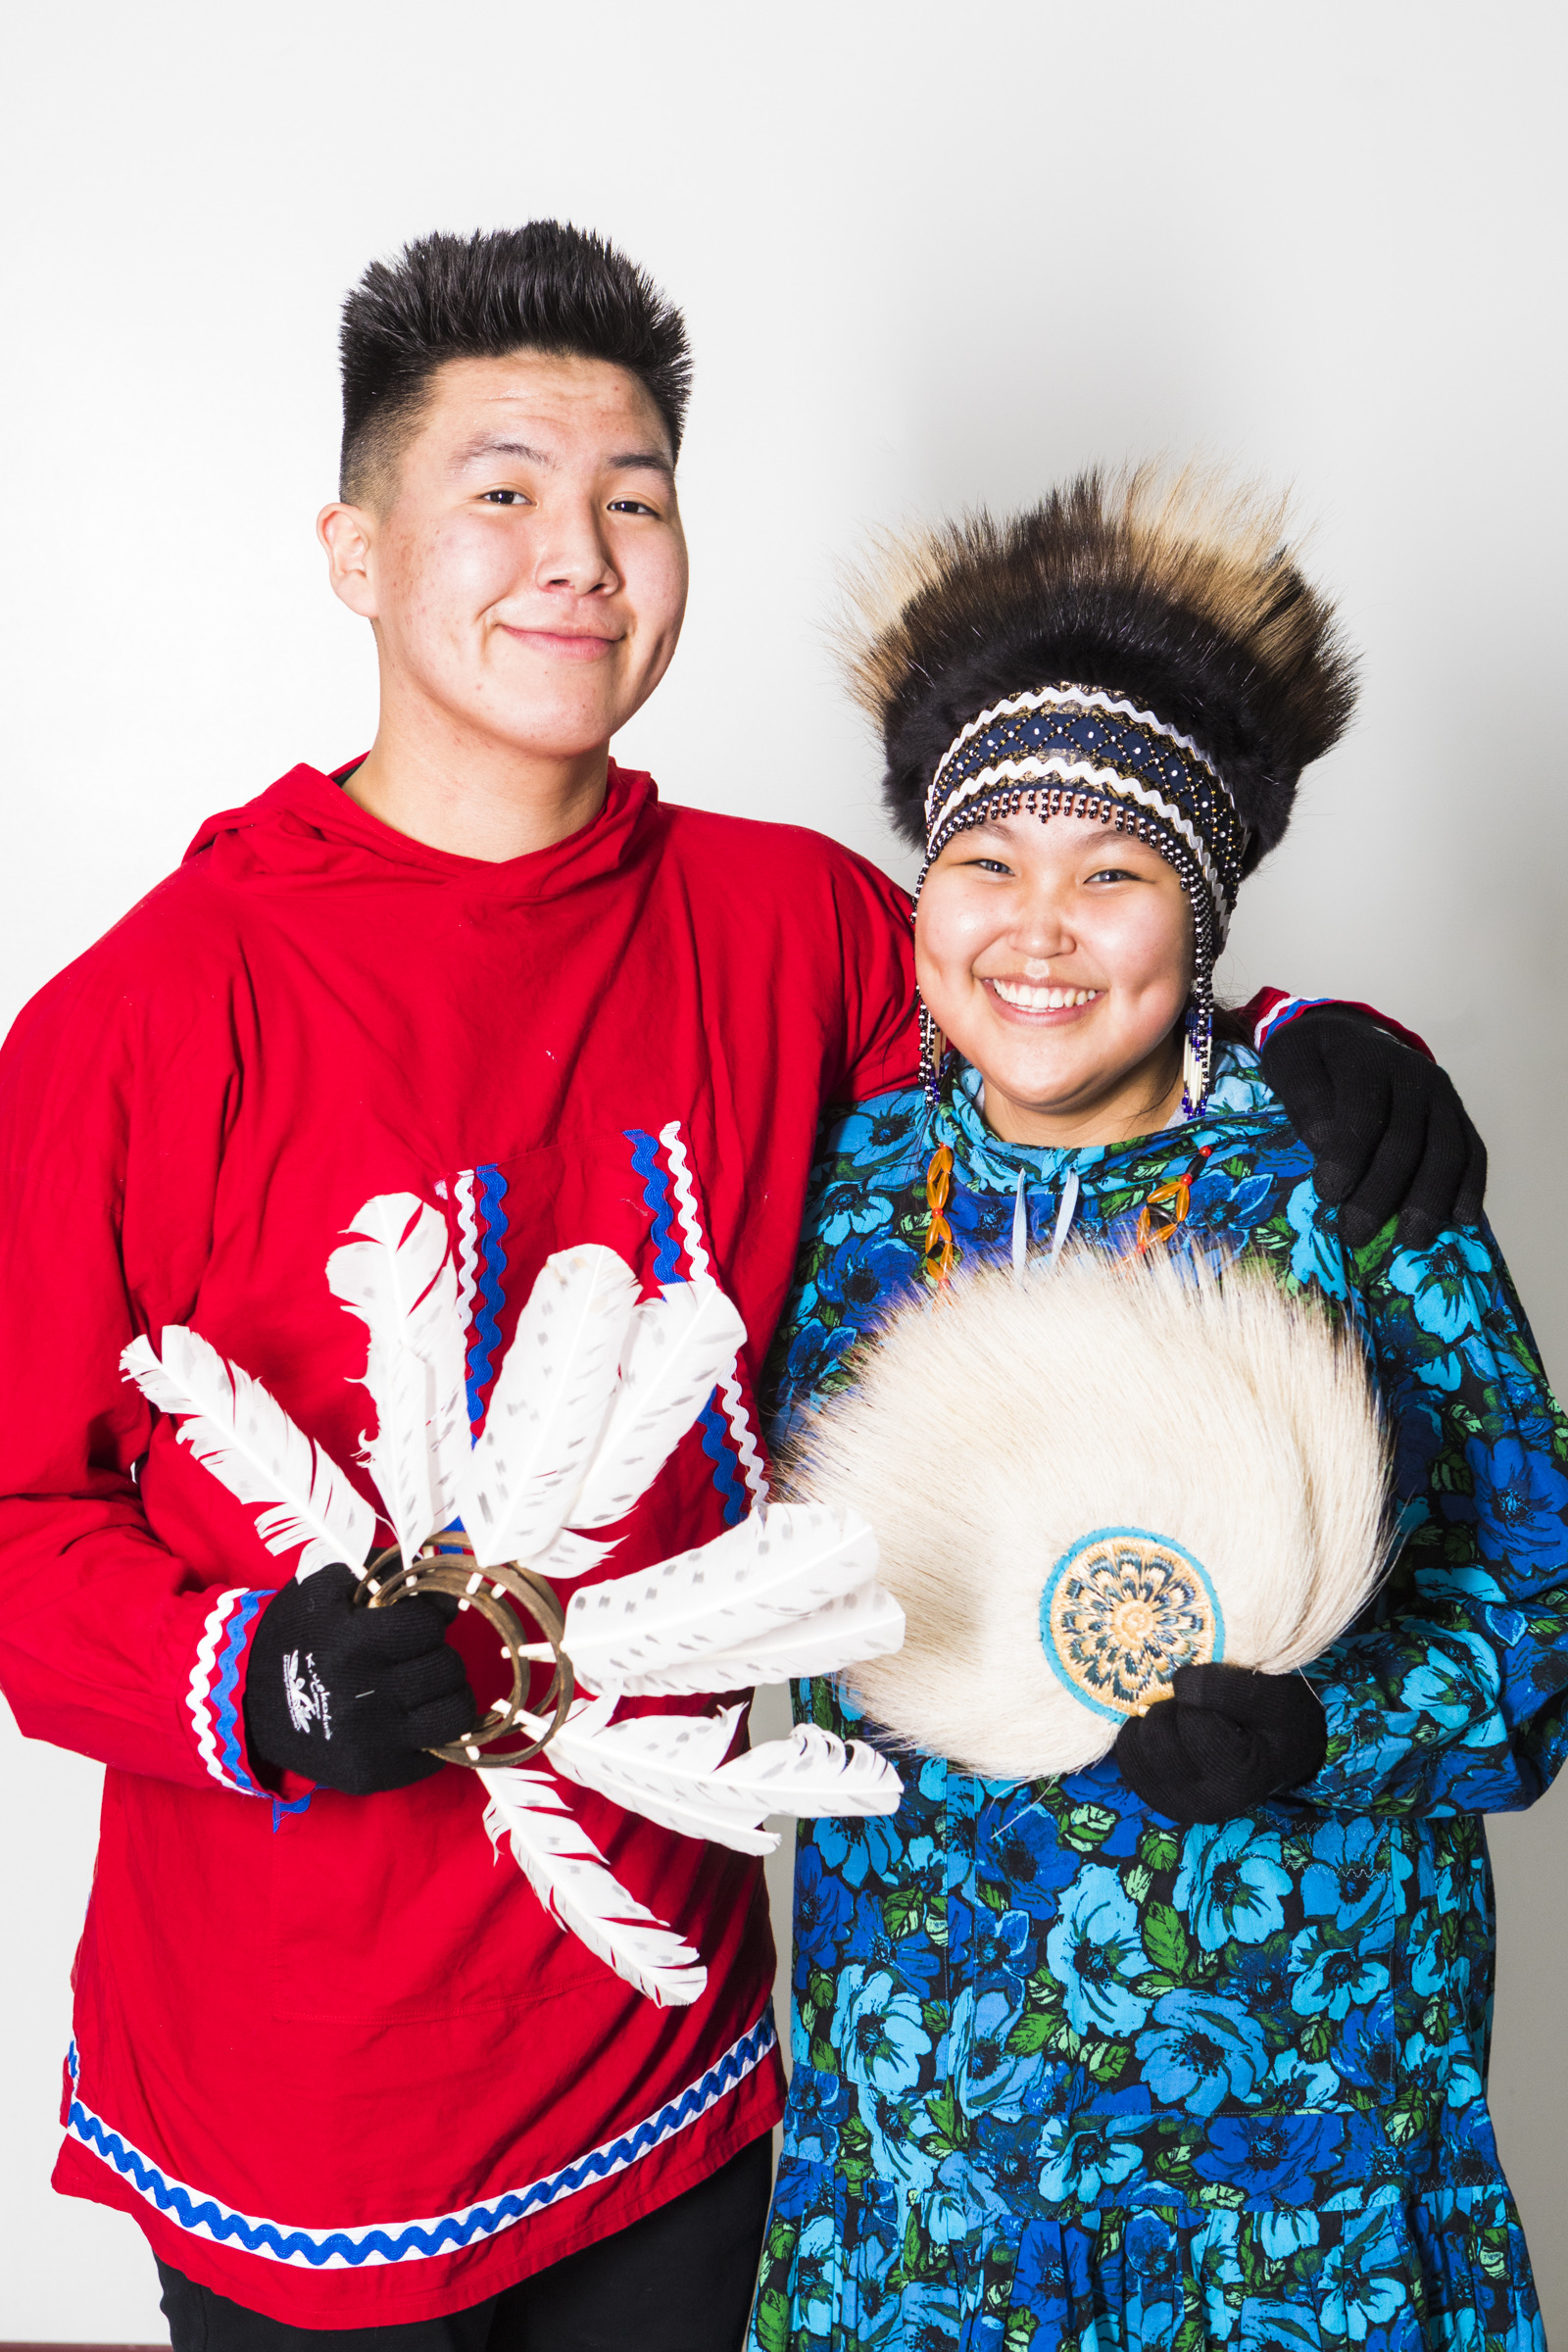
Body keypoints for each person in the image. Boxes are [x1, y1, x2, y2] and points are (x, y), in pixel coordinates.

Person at [0, 227, 1483, 2352]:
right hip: (302, 2093)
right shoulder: (145, 1015)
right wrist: (258, 1680)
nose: (574, 556)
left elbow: (1063, 991)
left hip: (681, 2085)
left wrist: (1329, 1033)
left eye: (631, 497)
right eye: (500, 490)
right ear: (352, 548)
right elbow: (12, 1520)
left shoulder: (784, 924)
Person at [749, 471, 1561, 2352]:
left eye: (1111, 870)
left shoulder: (1354, 1177)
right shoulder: (839, 1194)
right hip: (931, 2134)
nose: (1039, 928)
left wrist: (1322, 1733)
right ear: (920, 892)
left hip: (1304, 2128)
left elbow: (1541, 1628)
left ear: (1196, 915)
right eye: (987, 863)